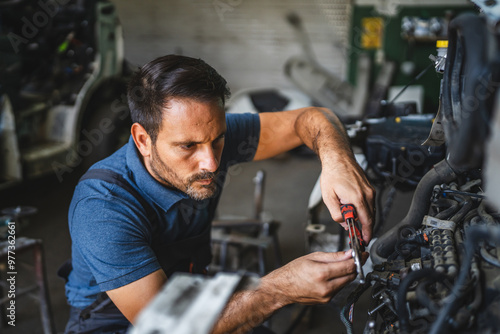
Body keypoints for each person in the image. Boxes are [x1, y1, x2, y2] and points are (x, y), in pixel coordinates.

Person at [63, 54, 374, 334]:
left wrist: (339, 163)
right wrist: (281, 288)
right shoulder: (103, 207)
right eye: (188, 146)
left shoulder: (206, 134)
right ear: (143, 140)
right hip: (118, 324)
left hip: (189, 290)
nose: (210, 162)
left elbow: (313, 118)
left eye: (219, 139)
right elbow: (163, 324)